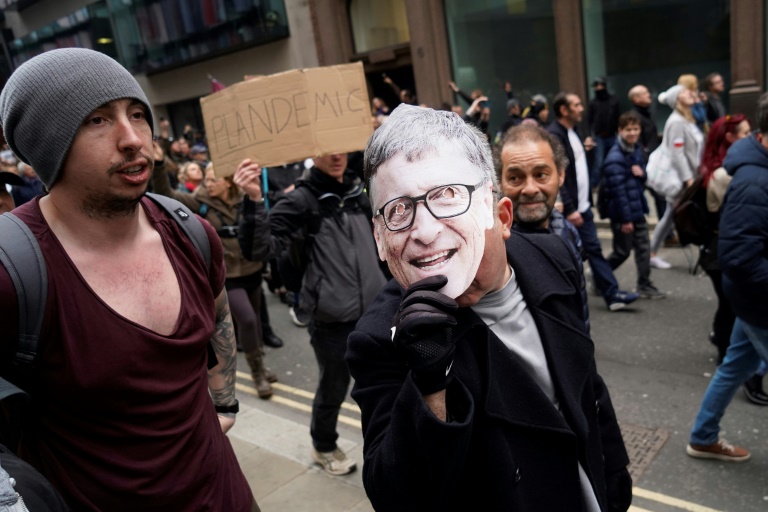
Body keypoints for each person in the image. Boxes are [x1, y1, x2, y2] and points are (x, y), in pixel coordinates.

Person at [0, 48, 256, 510]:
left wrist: (225, 403)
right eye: (97, 120)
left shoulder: (192, 234)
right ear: (46, 144)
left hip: (225, 494)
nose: (133, 139)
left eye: (137, 114)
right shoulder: (12, 272)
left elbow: (219, 318)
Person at [347, 104, 631, 511]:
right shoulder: (380, 336)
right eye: (399, 210)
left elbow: (587, 385)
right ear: (380, 238)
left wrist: (615, 480)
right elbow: (397, 497)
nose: (424, 231)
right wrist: (429, 385)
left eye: (448, 197)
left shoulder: (553, 256)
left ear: (502, 217)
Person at [235, 152, 386, 477]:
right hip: (331, 320)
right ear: (311, 152)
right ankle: (324, 445)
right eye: (326, 149)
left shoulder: (358, 192)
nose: (336, 155)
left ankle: (385, 446)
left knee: (381, 386)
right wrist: (253, 200)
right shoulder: (300, 201)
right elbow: (259, 250)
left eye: (340, 147)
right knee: (334, 387)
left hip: (375, 313)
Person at [151, 155, 277, 398]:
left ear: (227, 182)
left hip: (251, 270)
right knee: (248, 321)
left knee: (256, 321)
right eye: (206, 180)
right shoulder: (199, 202)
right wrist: (159, 165)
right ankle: (258, 374)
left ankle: (261, 364)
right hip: (227, 275)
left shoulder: (243, 199)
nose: (208, 184)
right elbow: (165, 194)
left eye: (213, 180)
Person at [687, 93, 768, 462]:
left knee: (734, 366)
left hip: (751, 301)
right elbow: (738, 257)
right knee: (734, 365)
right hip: (758, 304)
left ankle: (703, 437)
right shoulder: (755, 181)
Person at [697, 114, 768, 401]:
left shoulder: (743, 167)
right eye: (745, 132)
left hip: (735, 258)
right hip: (726, 255)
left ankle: (704, 430)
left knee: (735, 356)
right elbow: (740, 250)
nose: (751, 136)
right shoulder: (740, 176)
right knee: (729, 309)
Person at [547, 92, 639, 311]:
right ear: (564, 110)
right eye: (577, 105)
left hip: (583, 207)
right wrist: (570, 208)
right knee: (567, 257)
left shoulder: (574, 131)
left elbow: (578, 169)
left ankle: (612, 294)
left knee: (593, 250)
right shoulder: (554, 135)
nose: (582, 108)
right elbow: (557, 175)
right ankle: (563, 306)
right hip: (569, 210)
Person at [495, 123, 590, 332]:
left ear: (561, 175)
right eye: (515, 178)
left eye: (540, 175)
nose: (530, 189)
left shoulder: (567, 231)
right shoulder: (492, 252)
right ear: (499, 182)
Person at [601, 111, 666, 299]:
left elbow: (641, 178)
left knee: (644, 249)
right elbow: (618, 192)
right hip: (623, 214)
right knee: (622, 252)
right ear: (620, 130)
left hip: (637, 210)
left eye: (635, 129)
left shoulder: (635, 149)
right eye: (628, 129)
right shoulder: (615, 158)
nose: (632, 133)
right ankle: (600, 277)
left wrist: (642, 173)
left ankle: (644, 284)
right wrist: (625, 219)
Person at [648, 84, 703, 270]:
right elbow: (677, 153)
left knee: (671, 216)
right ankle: (651, 254)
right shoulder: (676, 122)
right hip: (681, 180)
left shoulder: (687, 118)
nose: (690, 93)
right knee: (671, 216)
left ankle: (651, 253)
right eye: (684, 92)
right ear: (677, 99)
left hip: (691, 176)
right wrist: (688, 179)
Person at [587, 77, 620, 188]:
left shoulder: (613, 101)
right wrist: (589, 135)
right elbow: (589, 120)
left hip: (612, 135)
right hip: (599, 136)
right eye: (596, 86)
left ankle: (614, 181)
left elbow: (618, 117)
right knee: (599, 162)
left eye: (600, 85)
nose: (598, 88)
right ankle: (594, 185)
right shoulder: (593, 103)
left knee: (614, 159)